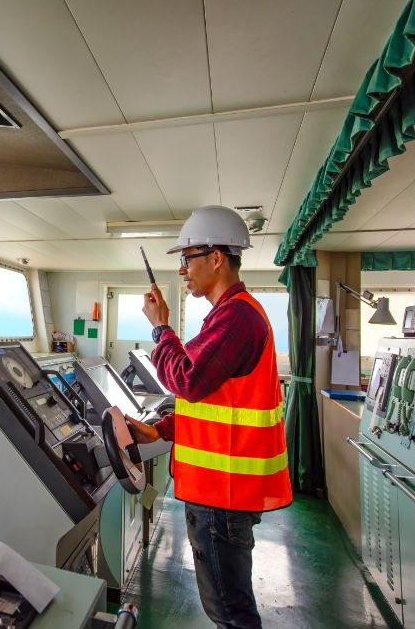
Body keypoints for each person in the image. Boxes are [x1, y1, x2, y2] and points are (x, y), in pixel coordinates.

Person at [125, 205, 292, 629]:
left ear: (217, 258)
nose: (182, 270)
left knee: (230, 613)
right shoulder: (228, 315)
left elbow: (186, 379)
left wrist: (162, 328)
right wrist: (159, 430)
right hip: (219, 490)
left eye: (187, 258)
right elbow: (212, 402)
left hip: (224, 493)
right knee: (227, 606)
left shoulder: (237, 317)